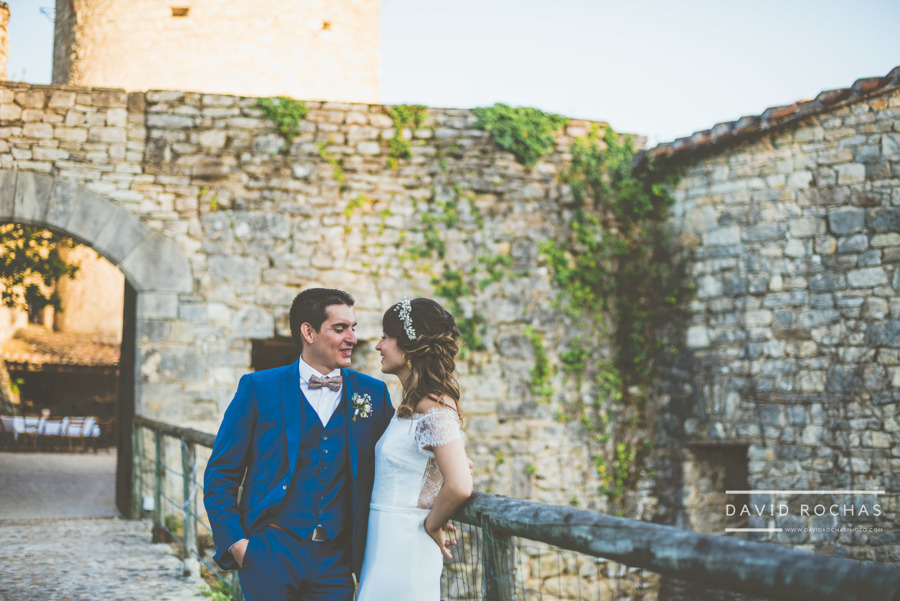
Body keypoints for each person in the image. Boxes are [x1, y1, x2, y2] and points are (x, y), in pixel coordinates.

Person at [203, 288, 393, 601]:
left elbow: (396, 456)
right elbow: (220, 474)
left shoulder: (372, 393)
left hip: (337, 562)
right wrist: (237, 544)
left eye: (354, 328)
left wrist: (438, 479)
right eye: (340, 328)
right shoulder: (257, 388)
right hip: (270, 553)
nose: (352, 338)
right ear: (308, 331)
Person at [356, 298, 474, 600]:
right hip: (384, 538)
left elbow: (460, 483)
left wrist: (433, 523)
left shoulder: (433, 404)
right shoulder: (411, 406)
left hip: (407, 541)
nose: (378, 346)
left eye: (386, 336)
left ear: (409, 345)